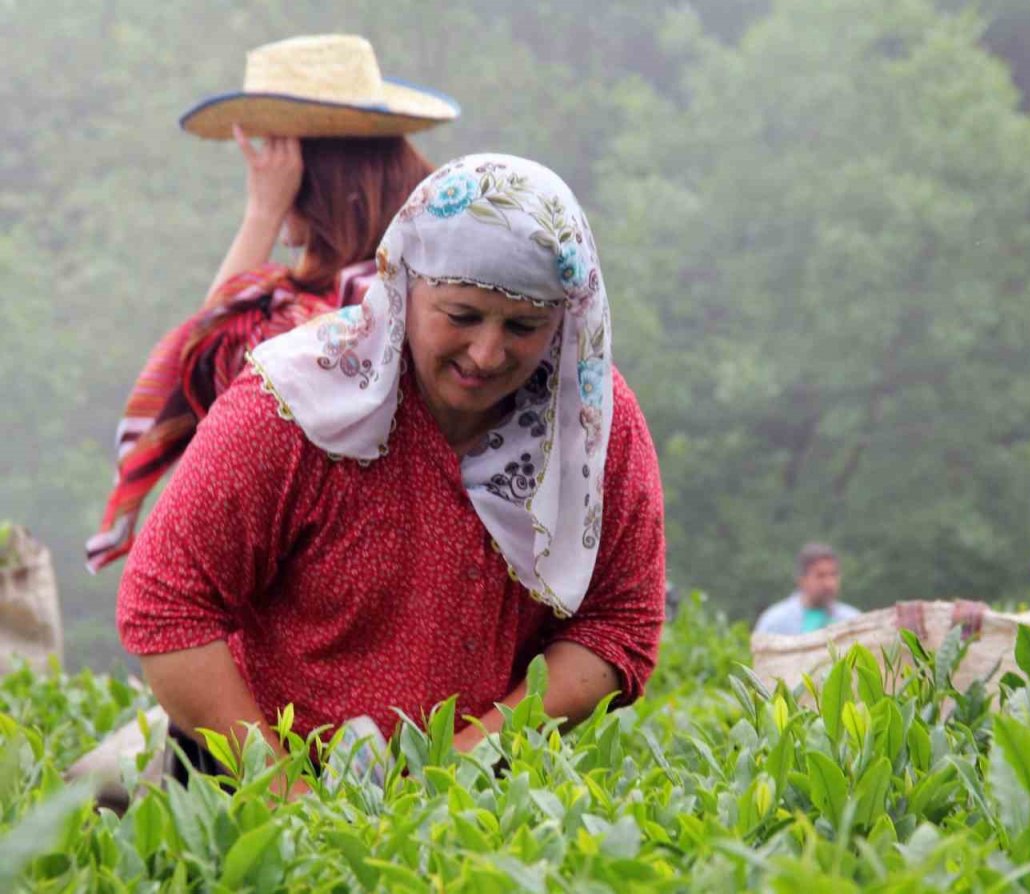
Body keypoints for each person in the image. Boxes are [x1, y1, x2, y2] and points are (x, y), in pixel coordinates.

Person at [116, 154, 667, 793]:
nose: (487, 354)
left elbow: (618, 619)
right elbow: (168, 602)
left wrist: (460, 766)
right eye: (461, 316)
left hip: (485, 796)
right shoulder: (297, 403)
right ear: (404, 285)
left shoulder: (593, 423)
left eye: (523, 326)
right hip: (247, 784)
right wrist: (283, 797)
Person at [86, 34, 458, 571]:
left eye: (276, 155)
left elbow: (206, 366)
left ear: (315, 175)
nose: (263, 172)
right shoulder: (423, 273)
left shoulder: (331, 315)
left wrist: (261, 214)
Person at [754, 543, 860, 635]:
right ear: (802, 580)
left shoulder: (852, 620)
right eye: (820, 576)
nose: (829, 583)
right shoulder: (775, 622)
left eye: (833, 575)